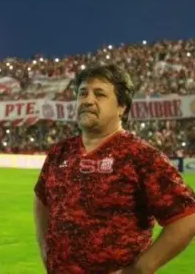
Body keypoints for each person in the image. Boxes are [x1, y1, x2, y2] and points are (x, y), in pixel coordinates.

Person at [33, 64, 195, 274]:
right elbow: (41, 198)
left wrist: (141, 268)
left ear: (122, 107)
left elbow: (187, 217)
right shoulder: (60, 152)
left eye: (99, 94)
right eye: (83, 93)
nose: (88, 100)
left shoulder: (140, 155)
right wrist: (46, 250)